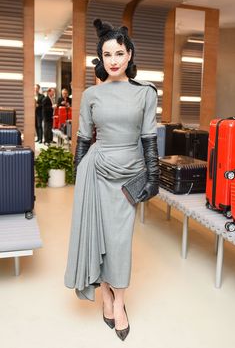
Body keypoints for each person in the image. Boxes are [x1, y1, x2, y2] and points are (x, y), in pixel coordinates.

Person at [64, 19, 159, 341]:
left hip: (129, 174)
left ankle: (119, 300)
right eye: (107, 54)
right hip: (96, 171)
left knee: (119, 242)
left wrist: (154, 175)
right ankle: (109, 298)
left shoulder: (146, 93)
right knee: (98, 237)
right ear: (101, 59)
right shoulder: (92, 94)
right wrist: (78, 179)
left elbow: (149, 137)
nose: (114, 60)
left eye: (119, 52)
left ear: (130, 55)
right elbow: (82, 139)